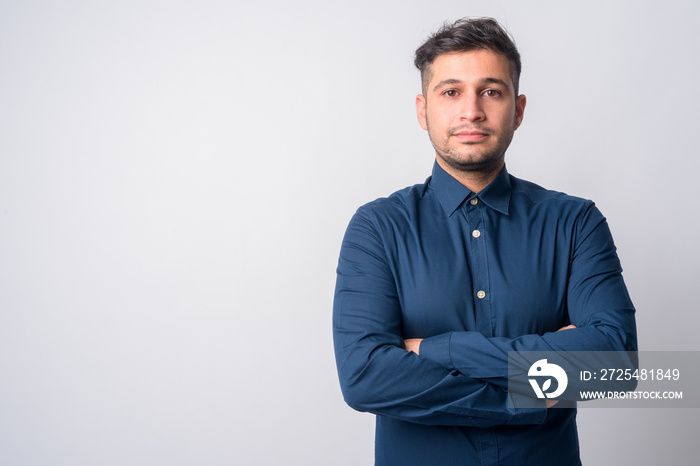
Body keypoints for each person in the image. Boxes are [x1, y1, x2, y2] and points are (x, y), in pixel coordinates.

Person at [332, 17, 637, 465]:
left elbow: (614, 363)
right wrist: (527, 394)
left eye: (491, 91)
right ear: (423, 110)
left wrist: (437, 349)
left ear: (518, 108)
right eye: (451, 92)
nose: (471, 110)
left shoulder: (575, 222)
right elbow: (365, 377)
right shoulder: (378, 228)